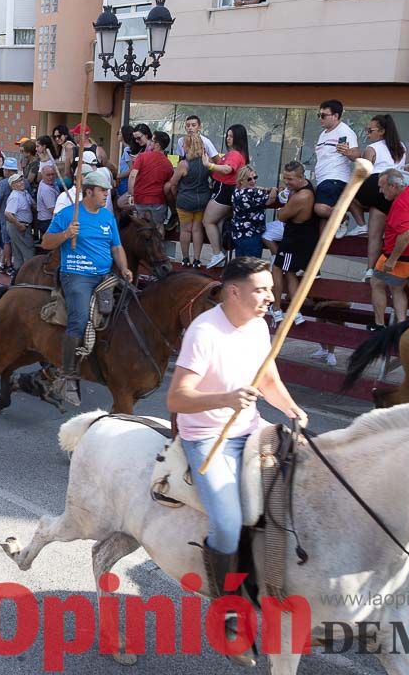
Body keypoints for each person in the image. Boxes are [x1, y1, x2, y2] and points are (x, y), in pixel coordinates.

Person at [166, 256, 306, 665]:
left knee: (298, 492)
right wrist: (224, 399)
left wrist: (292, 409)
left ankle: (275, 582)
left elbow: (267, 378)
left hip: (251, 428)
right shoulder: (204, 331)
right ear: (234, 292)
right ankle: (228, 605)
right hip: (208, 436)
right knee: (227, 524)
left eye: (270, 289)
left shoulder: (260, 326)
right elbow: (176, 399)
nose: (270, 296)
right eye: (261, 289)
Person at [42, 170, 131, 406]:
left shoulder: (107, 217)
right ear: (89, 191)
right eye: (103, 191)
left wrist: (124, 268)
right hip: (76, 275)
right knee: (79, 320)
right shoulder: (66, 215)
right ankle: (68, 375)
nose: (106, 195)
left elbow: (116, 248)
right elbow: (45, 242)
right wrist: (66, 234)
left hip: (104, 275)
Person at [370, 169, 409, 329]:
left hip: (405, 256)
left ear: (392, 186)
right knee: (396, 287)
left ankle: (379, 325)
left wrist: (392, 260)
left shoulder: (401, 204)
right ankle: (401, 325)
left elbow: (405, 234)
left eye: (382, 187)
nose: (380, 191)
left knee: (376, 282)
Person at [351, 114, 408, 277]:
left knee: (345, 195)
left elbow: (363, 171)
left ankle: (361, 224)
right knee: (381, 232)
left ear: (382, 131)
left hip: (376, 182)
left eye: (370, 130)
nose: (367, 134)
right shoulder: (401, 147)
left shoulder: (372, 148)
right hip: (395, 188)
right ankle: (374, 269)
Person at [271, 161, 315, 329]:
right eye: (284, 178)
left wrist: (280, 210)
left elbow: (282, 216)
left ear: (301, 177)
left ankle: (276, 308)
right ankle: (296, 312)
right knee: (289, 274)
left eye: (290, 179)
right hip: (299, 237)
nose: (286, 182)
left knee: (277, 268)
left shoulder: (302, 196)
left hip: (295, 239)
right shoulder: (305, 188)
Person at [312, 99, 363, 232]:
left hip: (335, 177)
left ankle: (343, 218)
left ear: (336, 116)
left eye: (323, 115)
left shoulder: (345, 131)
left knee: (320, 209)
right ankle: (321, 250)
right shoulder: (323, 134)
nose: (320, 119)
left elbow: (357, 154)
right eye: (319, 115)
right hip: (323, 179)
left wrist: (347, 152)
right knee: (322, 221)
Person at [204, 124, 249, 268]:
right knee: (219, 221)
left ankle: (217, 253)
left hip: (225, 190)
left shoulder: (235, 154)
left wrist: (209, 165)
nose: (228, 139)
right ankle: (220, 254)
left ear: (238, 138)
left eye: (231, 136)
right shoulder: (237, 154)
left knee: (208, 221)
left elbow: (228, 168)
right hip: (224, 189)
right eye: (227, 136)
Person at [171, 132, 213, 267]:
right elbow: (213, 179)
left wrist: (175, 195)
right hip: (202, 199)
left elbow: (173, 183)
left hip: (185, 200)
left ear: (188, 145)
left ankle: (185, 258)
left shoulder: (184, 164)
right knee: (197, 229)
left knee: (185, 230)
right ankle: (197, 259)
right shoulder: (207, 161)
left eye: (184, 144)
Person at [125, 124, 174, 229]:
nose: (150, 142)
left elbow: (133, 175)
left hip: (140, 199)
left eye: (152, 140)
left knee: (142, 228)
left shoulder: (142, 157)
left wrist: (131, 195)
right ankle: (159, 244)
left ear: (157, 145)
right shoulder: (169, 164)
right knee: (159, 226)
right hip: (158, 201)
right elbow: (170, 185)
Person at [228, 165, 270, 259]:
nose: (253, 181)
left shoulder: (236, 192)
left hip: (238, 234)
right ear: (242, 180)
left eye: (255, 177)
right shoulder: (254, 193)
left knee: (240, 266)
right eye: (249, 179)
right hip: (252, 235)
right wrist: (274, 190)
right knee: (252, 268)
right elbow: (270, 200)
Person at [3, 173, 35, 276]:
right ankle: (29, 276)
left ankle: (18, 274)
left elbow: (32, 204)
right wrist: (19, 225)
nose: (21, 182)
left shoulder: (24, 192)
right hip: (19, 226)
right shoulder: (15, 196)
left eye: (22, 180)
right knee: (28, 251)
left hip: (21, 225)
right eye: (18, 181)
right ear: (12, 185)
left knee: (18, 252)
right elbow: (8, 213)